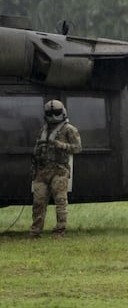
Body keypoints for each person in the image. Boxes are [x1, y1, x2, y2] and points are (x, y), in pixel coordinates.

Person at [30, 99, 82, 238]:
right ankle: (35, 231)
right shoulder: (44, 129)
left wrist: (62, 145)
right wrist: (34, 171)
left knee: (60, 202)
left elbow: (78, 148)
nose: (53, 116)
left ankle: (60, 231)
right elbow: (37, 150)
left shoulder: (69, 129)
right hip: (42, 171)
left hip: (59, 171)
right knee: (38, 202)